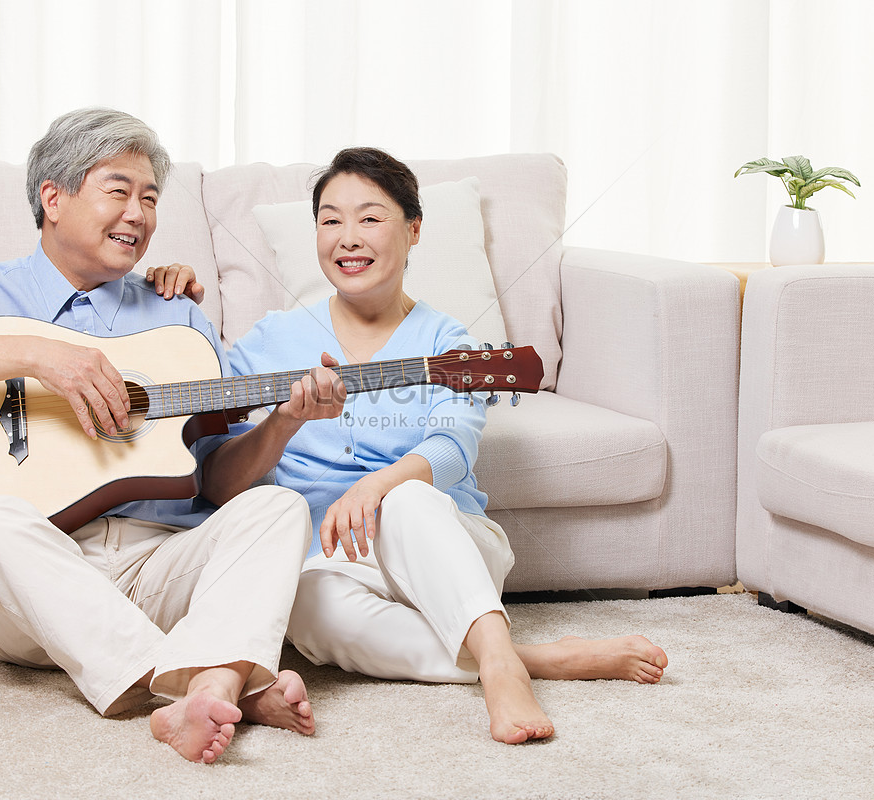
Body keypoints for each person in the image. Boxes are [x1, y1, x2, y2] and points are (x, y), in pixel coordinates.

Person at [0, 108, 344, 765]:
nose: (139, 214)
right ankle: (212, 678)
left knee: (277, 506)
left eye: (150, 199)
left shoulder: (178, 318)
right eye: (119, 191)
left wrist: (285, 421)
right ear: (52, 198)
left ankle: (193, 688)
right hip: (41, 586)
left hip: (162, 564)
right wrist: (37, 355)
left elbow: (219, 481)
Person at [204, 147, 670, 745]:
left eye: (370, 218)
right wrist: (284, 424)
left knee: (407, 499)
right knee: (302, 603)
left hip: (446, 544)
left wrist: (375, 487)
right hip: (338, 561)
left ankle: (502, 672)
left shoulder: (450, 342)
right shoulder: (269, 341)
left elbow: (452, 450)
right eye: (330, 219)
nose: (348, 237)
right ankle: (537, 656)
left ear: (414, 229)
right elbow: (219, 484)